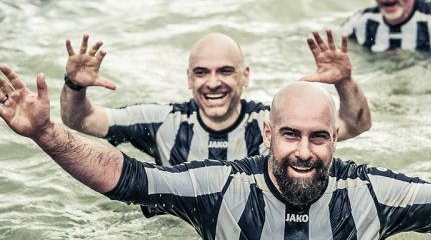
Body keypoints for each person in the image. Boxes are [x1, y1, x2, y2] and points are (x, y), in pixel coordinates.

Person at [1, 32, 431, 240]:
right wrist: (47, 131)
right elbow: (127, 177)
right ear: (268, 135)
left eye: (318, 137)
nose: (303, 151)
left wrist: (345, 82)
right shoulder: (216, 183)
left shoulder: (369, 193)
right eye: (290, 135)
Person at [60, 30, 371, 166]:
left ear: (245, 76)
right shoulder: (163, 122)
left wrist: (344, 82)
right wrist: (74, 85)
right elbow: (80, 119)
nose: (212, 83)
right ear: (189, 78)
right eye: (201, 72)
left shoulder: (270, 123)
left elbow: (355, 125)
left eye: (225, 71)